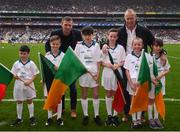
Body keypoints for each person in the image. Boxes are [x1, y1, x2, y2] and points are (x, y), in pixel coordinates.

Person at [101, 9, 155, 122]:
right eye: (127, 18)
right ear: (124, 19)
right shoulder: (120, 31)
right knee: (126, 89)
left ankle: (141, 113)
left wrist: (154, 56)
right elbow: (112, 39)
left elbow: (154, 44)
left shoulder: (144, 30)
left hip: (140, 64)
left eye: (131, 18)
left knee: (141, 90)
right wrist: (105, 45)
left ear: (135, 18)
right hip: (125, 64)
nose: (129, 20)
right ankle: (126, 112)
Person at [45, 16, 82, 118]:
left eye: (70, 25)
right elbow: (48, 44)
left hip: (71, 65)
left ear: (72, 25)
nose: (68, 27)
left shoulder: (77, 34)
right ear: (61, 24)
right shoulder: (55, 33)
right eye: (65, 25)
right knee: (61, 87)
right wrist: (50, 56)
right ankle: (63, 107)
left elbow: (81, 47)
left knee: (72, 88)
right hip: (59, 64)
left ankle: (73, 109)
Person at [75, 26, 102, 126]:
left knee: (96, 95)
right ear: (82, 35)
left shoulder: (96, 45)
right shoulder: (78, 45)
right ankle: (85, 115)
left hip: (94, 74)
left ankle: (96, 115)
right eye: (85, 35)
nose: (87, 37)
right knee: (84, 95)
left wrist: (98, 73)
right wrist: (81, 69)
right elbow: (76, 59)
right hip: (83, 74)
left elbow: (98, 60)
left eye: (89, 35)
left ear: (92, 35)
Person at [101, 28, 126, 127]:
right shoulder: (104, 48)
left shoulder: (121, 48)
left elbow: (123, 60)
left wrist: (118, 65)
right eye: (111, 36)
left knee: (116, 93)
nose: (112, 38)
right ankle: (109, 115)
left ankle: (115, 115)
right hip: (107, 73)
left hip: (117, 73)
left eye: (114, 36)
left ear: (117, 37)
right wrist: (108, 65)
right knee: (108, 93)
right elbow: (101, 61)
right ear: (108, 36)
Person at [10, 45, 39, 126]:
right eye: (21, 53)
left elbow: (35, 74)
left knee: (29, 100)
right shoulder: (16, 63)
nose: (22, 55)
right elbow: (13, 73)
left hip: (29, 84)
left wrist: (30, 81)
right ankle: (19, 118)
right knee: (19, 101)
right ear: (19, 53)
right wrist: (14, 76)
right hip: (19, 85)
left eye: (24, 53)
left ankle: (32, 117)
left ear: (28, 54)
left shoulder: (31, 63)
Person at [124, 37, 148, 128]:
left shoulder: (145, 56)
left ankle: (138, 119)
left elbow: (146, 70)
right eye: (135, 44)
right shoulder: (129, 56)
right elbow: (127, 71)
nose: (137, 46)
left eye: (139, 44)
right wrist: (130, 83)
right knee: (133, 101)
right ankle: (134, 120)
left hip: (141, 82)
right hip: (132, 82)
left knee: (140, 101)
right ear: (132, 45)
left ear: (142, 45)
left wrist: (141, 81)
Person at [147, 38, 170, 129]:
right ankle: (150, 118)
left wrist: (160, 76)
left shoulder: (163, 57)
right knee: (151, 100)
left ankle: (156, 118)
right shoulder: (147, 56)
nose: (158, 48)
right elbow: (145, 71)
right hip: (151, 82)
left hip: (160, 83)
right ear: (152, 46)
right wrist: (152, 79)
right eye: (156, 46)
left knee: (158, 99)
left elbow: (167, 70)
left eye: (160, 46)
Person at [44, 35, 65, 126]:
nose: (55, 46)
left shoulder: (63, 55)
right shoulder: (47, 55)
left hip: (59, 80)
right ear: (50, 44)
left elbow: (65, 69)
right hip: (49, 80)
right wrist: (43, 78)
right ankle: (49, 117)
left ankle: (59, 117)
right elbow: (44, 68)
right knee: (49, 97)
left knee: (59, 99)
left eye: (57, 44)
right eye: (53, 44)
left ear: (60, 44)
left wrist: (59, 68)